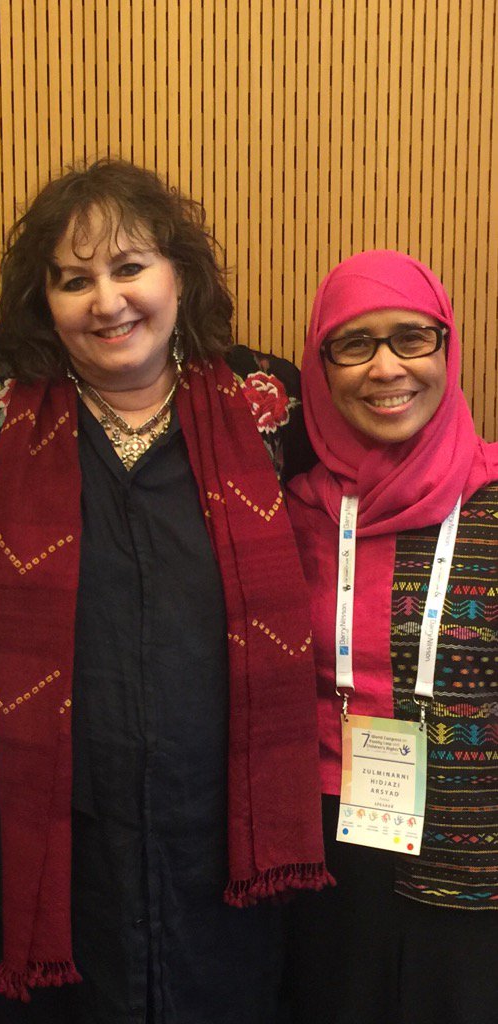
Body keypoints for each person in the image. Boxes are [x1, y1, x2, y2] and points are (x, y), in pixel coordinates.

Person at [0, 158, 329, 1024]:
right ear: (43, 301)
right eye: (74, 280)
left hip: (225, 826)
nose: (106, 302)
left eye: (130, 267)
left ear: (179, 274)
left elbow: (377, 463)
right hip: (64, 830)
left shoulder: (269, 400)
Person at [284, 250, 498, 1024]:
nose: (385, 368)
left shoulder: (492, 498)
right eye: (353, 344)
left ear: (447, 346)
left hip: (474, 861)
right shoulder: (287, 512)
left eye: (411, 337)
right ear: (320, 367)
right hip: (327, 856)